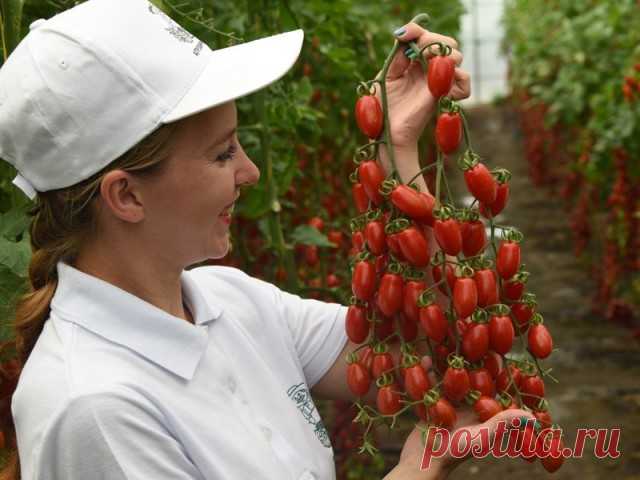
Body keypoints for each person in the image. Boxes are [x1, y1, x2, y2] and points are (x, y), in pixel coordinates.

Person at [0, 0, 534, 478]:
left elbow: (437, 348)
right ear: (127, 197)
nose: (252, 172)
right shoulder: (96, 410)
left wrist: (397, 148)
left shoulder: (230, 302)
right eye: (223, 152)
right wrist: (419, 470)